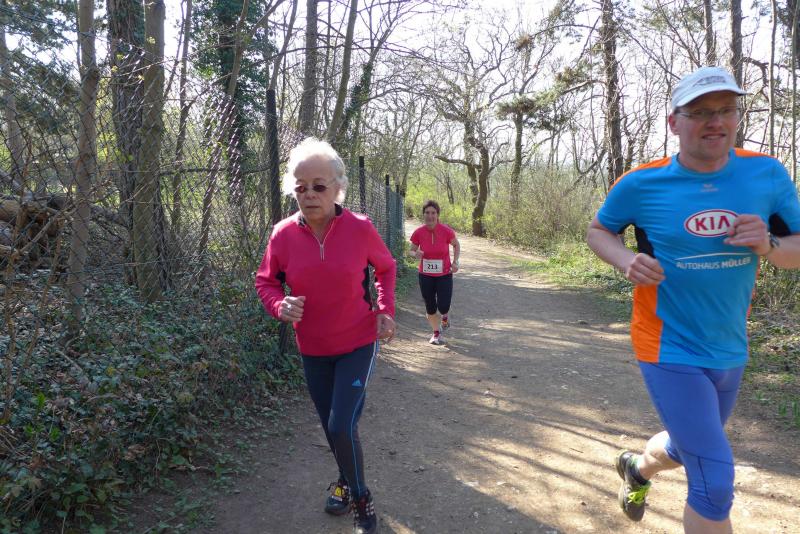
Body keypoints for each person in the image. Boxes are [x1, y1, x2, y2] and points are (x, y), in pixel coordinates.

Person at [586, 66, 800, 533]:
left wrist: (768, 245)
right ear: (674, 122)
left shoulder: (766, 174)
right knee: (714, 482)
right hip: (667, 344)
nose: (715, 121)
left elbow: (797, 250)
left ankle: (636, 468)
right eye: (700, 112)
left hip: (729, 345)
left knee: (688, 448)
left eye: (725, 110)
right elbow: (599, 230)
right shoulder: (642, 184)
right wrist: (625, 260)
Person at [255, 137, 396, 534]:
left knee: (339, 425)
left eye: (319, 186)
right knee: (335, 427)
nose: (309, 194)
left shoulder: (360, 229)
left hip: (357, 343)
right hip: (313, 349)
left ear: (338, 188)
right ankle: (345, 479)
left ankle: (361, 499)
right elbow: (265, 281)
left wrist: (385, 310)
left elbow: (386, 268)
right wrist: (279, 305)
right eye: (301, 187)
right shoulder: (282, 234)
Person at [409, 200, 461, 345]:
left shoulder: (446, 231)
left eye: (433, 213)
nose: (430, 216)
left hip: (444, 274)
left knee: (443, 306)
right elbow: (411, 251)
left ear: (437, 215)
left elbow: (456, 245)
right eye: (427, 213)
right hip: (425, 275)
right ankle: (436, 333)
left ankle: (445, 316)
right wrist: (415, 254)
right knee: (430, 307)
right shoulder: (418, 232)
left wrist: (455, 262)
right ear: (423, 214)